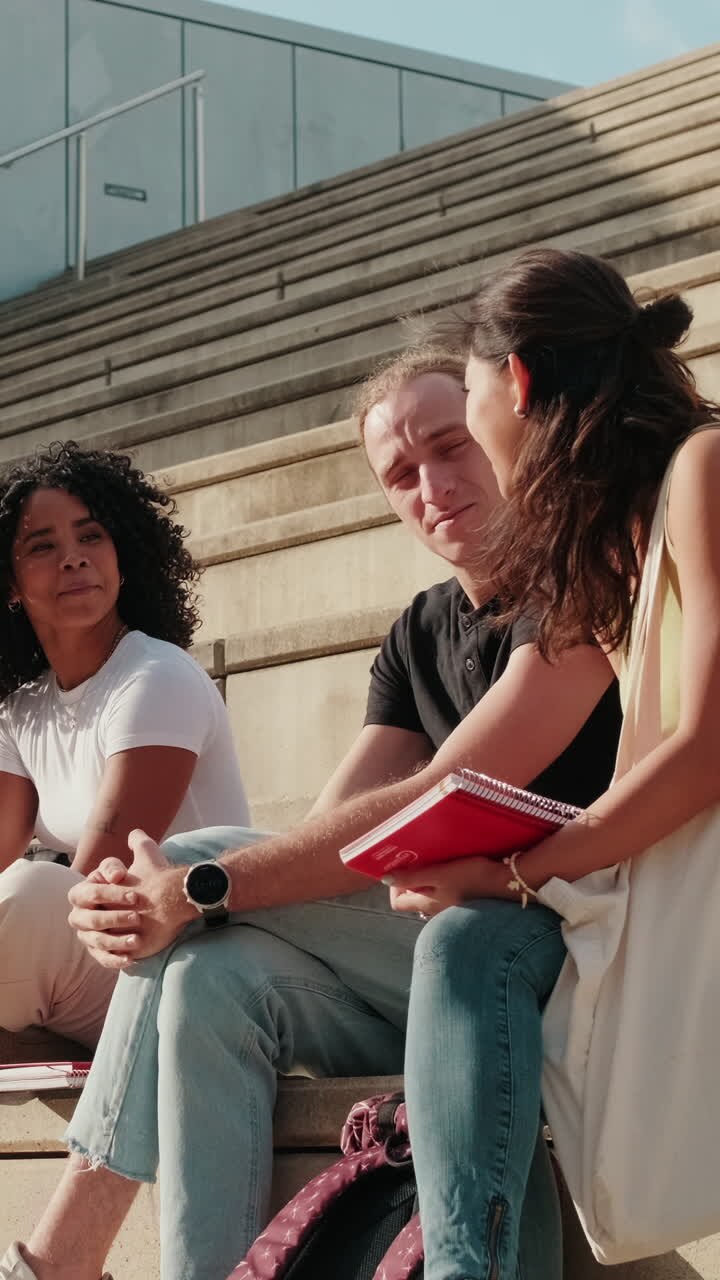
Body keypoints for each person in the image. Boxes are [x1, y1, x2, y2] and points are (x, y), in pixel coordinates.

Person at [0, 347, 622, 1280]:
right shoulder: (417, 634)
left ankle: (64, 1252)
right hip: (419, 956)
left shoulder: (574, 590)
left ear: (504, 434)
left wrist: (195, 882)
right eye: (401, 474)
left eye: (451, 447)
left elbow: (440, 792)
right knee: (209, 976)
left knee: (204, 865)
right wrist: (189, 902)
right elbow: (319, 839)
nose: (432, 486)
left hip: (543, 945)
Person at [383, 248, 720, 1280]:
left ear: (515, 381)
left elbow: (707, 746)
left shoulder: (702, 469)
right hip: (671, 885)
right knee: (469, 944)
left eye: (470, 395)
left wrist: (526, 867)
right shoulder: (613, 534)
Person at [0, 441, 249, 1049]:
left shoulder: (155, 676)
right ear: (8, 583)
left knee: (32, 894)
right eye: (43, 546)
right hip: (94, 963)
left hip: (187, 957)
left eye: (91, 538)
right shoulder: (19, 709)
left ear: (122, 553)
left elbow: (101, 881)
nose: (74, 560)